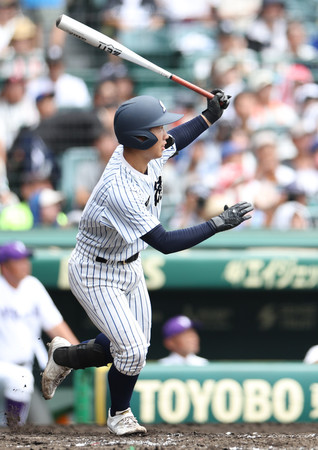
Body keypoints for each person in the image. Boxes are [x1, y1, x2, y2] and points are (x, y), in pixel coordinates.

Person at [41, 90, 253, 436]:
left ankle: (63, 358)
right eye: (157, 129)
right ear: (139, 138)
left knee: (128, 345)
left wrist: (208, 116)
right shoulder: (119, 189)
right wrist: (218, 223)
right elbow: (165, 243)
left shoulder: (143, 154)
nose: (165, 133)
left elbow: (176, 140)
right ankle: (120, 414)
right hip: (96, 271)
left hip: (129, 263)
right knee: (133, 350)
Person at [0, 240, 79, 426]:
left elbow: (56, 326)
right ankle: (10, 435)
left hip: (24, 369)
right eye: (17, 261)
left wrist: (81, 352)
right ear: (4, 266)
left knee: (43, 425)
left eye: (25, 259)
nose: (25, 264)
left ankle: (10, 433)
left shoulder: (32, 286)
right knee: (20, 380)